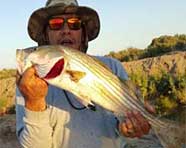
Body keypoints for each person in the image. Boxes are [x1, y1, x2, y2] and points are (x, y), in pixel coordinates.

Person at [16, 0, 162, 147]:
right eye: (56, 24)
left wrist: (129, 130)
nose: (66, 30)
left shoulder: (113, 66)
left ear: (83, 32)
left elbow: (124, 133)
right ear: (46, 35)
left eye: (74, 24)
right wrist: (34, 103)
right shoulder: (28, 85)